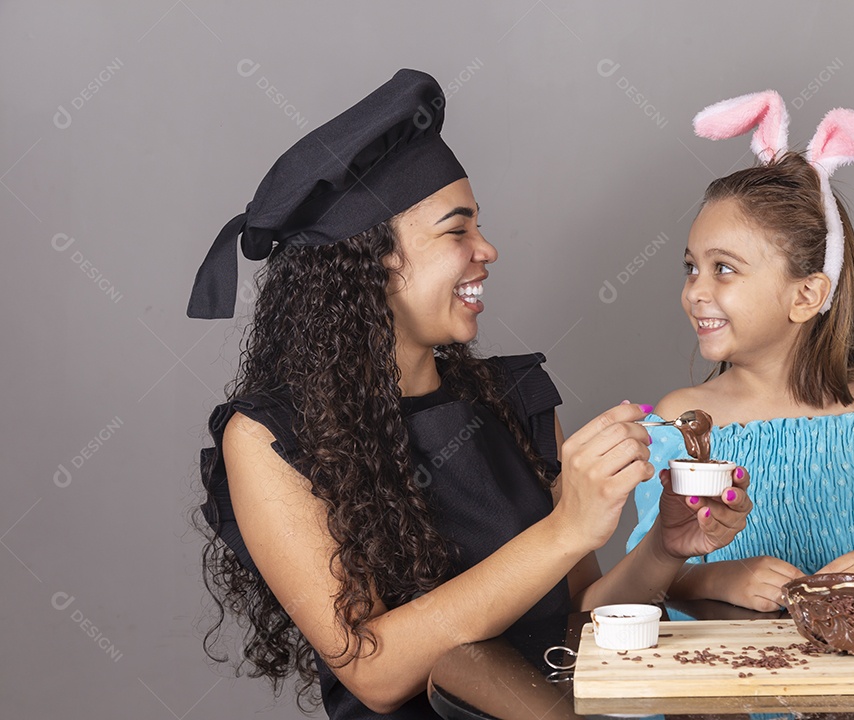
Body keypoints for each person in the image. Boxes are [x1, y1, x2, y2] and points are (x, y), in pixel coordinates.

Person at [189, 69, 752, 719]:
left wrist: (664, 547)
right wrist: (567, 527)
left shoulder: (516, 401)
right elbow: (371, 669)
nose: (487, 249)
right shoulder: (267, 440)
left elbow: (581, 620)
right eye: (458, 230)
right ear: (372, 259)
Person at [628, 90, 854, 614]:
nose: (695, 289)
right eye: (690, 266)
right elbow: (645, 573)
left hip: (840, 686)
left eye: (723, 268)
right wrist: (720, 578)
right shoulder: (679, 419)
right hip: (712, 686)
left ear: (806, 295)